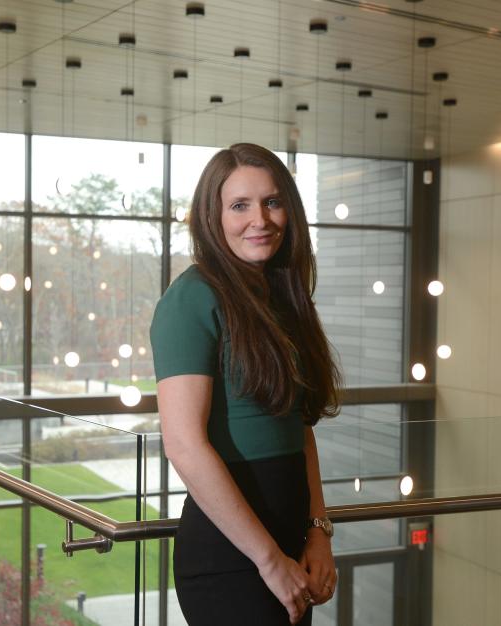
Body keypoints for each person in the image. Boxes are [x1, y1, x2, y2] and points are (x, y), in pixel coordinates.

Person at [150, 143, 343, 625]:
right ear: (212, 217)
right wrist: (268, 559)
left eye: (272, 202)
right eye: (240, 205)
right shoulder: (190, 299)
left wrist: (318, 532)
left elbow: (300, 430)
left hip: (290, 553)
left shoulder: (283, 298)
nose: (260, 219)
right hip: (229, 559)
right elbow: (184, 446)